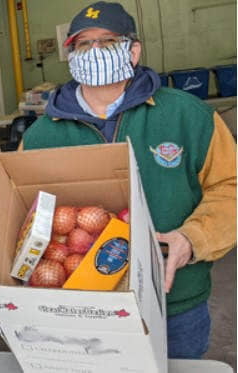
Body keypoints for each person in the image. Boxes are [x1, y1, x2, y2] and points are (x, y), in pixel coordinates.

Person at [20, 2, 236, 359]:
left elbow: (230, 185)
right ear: (70, 57)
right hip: (83, 306)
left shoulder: (187, 115)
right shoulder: (42, 136)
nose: (93, 53)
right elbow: (26, 215)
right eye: (82, 45)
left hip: (175, 301)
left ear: (133, 51)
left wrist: (193, 238)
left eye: (106, 42)